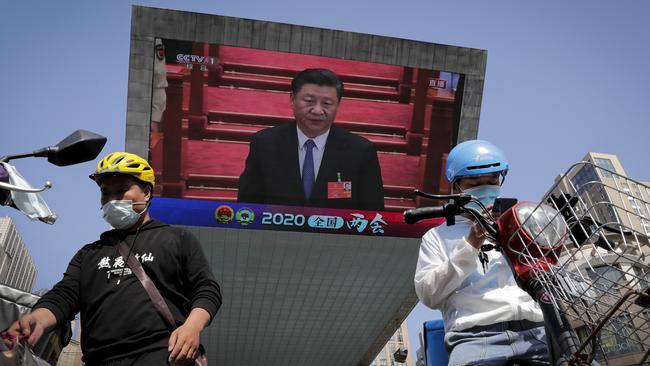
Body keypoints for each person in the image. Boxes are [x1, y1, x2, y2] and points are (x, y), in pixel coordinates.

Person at [6, 152, 222, 365]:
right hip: (99, 359)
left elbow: (206, 289)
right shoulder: (88, 254)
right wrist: (36, 319)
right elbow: (64, 296)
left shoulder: (177, 238)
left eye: (121, 191)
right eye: (105, 193)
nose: (112, 200)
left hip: (162, 354)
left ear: (146, 192)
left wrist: (192, 327)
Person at [414, 140, 548, 365]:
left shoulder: (523, 222)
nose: (485, 187)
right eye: (474, 182)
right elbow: (429, 294)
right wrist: (470, 245)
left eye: (492, 180)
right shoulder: (436, 236)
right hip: (473, 337)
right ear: (456, 186)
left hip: (536, 329)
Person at [237, 68, 385, 211]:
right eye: (309, 101)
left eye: (327, 103)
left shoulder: (361, 151)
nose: (317, 110)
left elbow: (373, 213)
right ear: (292, 99)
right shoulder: (264, 143)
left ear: (338, 105)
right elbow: (247, 206)